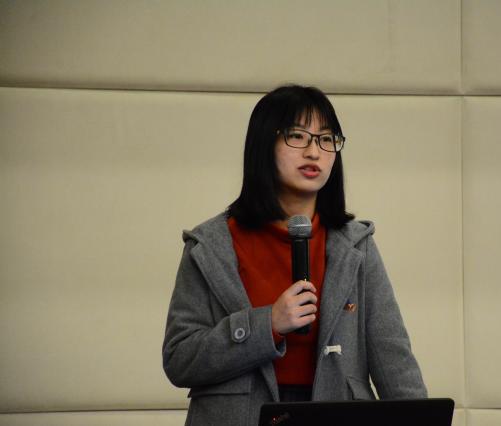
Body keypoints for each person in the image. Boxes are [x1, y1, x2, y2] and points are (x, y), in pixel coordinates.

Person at [162, 85, 427, 426]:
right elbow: (180, 358)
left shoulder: (355, 245)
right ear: (263, 144)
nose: (314, 152)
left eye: (326, 139)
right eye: (297, 136)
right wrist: (267, 325)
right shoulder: (211, 245)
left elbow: (394, 357)